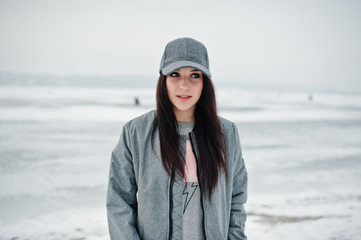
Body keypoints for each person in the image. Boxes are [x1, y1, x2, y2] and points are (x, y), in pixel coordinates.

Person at [106, 37, 248, 240]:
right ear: (163, 80)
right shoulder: (136, 132)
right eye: (175, 74)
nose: (184, 85)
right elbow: (118, 201)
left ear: (204, 83)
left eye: (194, 75)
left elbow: (237, 199)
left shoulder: (226, 134)